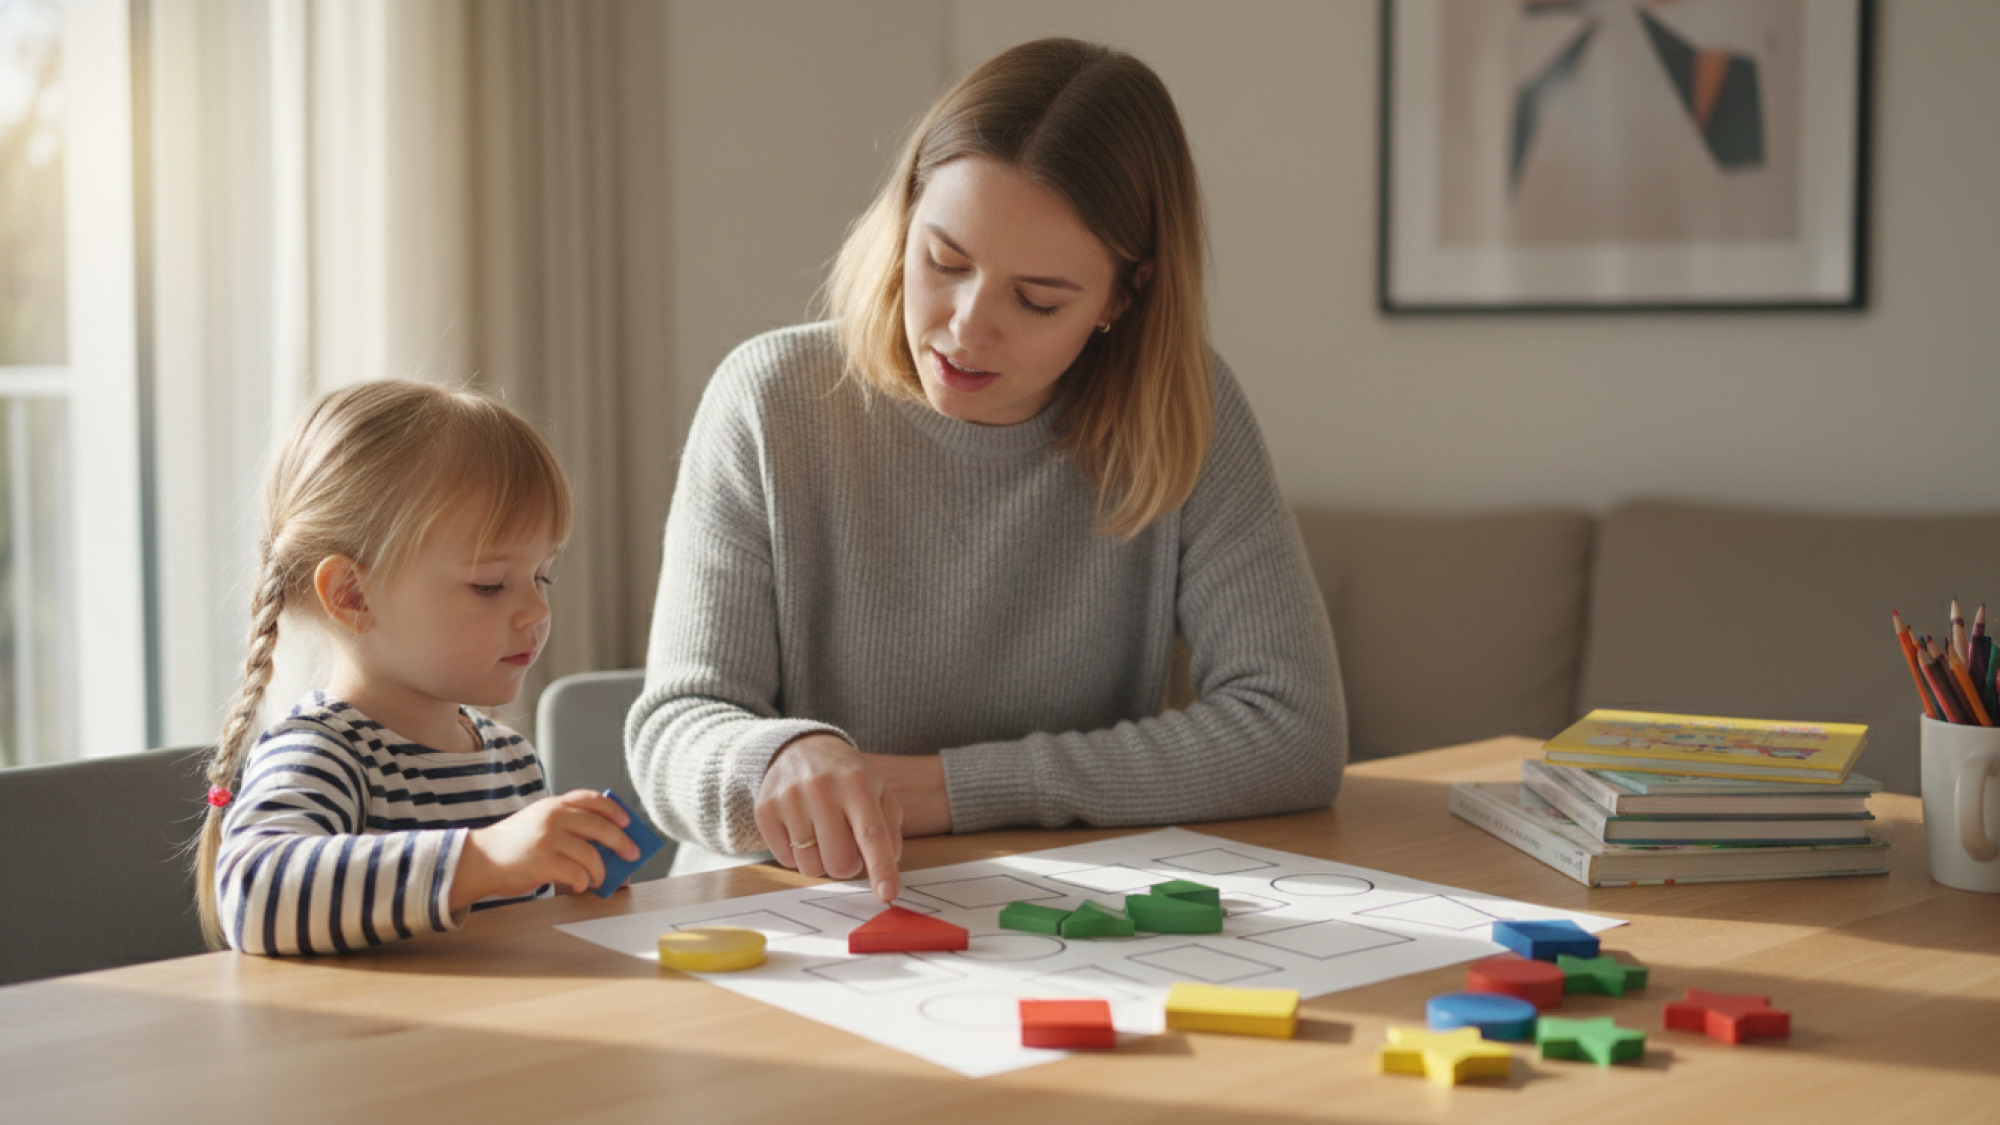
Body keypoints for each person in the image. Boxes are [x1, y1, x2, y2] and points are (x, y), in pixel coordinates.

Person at [628, 38, 1344, 903]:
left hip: (1056, 913)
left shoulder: (1182, 415)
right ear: (904, 215)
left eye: (1037, 299)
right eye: (945, 261)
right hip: (785, 916)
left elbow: (1293, 730)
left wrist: (945, 789)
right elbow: (672, 733)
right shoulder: (769, 400)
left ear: (1124, 297)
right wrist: (776, 756)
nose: (967, 329)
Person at [194, 380, 642, 955]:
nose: (536, 610)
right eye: (489, 585)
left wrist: (570, 881)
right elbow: (254, 894)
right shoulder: (322, 754)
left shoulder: (509, 760)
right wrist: (482, 859)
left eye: (542, 575)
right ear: (353, 595)